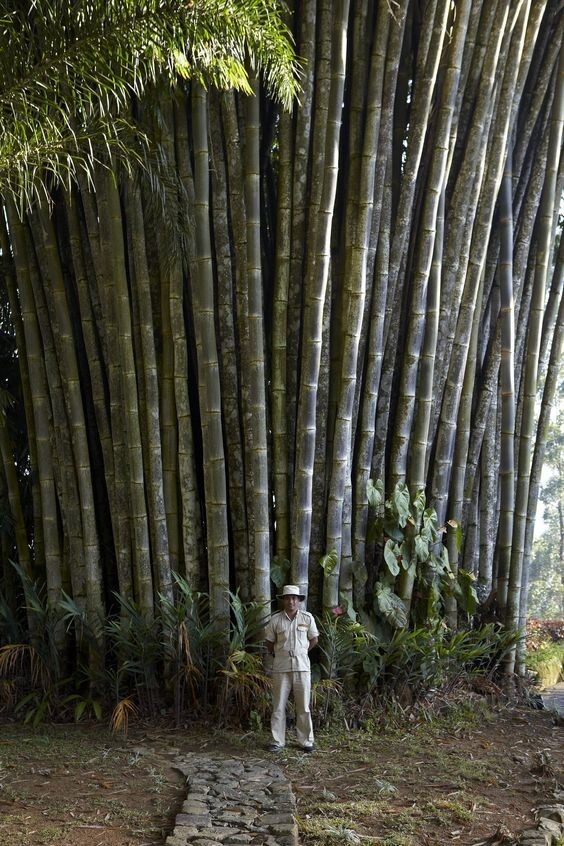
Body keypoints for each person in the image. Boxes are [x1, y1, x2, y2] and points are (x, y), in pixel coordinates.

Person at [264, 584, 319, 753]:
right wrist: (282, 654)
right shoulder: (275, 620)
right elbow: (269, 643)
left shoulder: (307, 618)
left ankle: (306, 741)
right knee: (278, 705)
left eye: (294, 598)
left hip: (302, 667)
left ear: (299, 601)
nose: (291, 601)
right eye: (288, 598)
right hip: (281, 667)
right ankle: (277, 741)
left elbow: (314, 639)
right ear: (283, 600)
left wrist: (301, 652)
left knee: (303, 706)